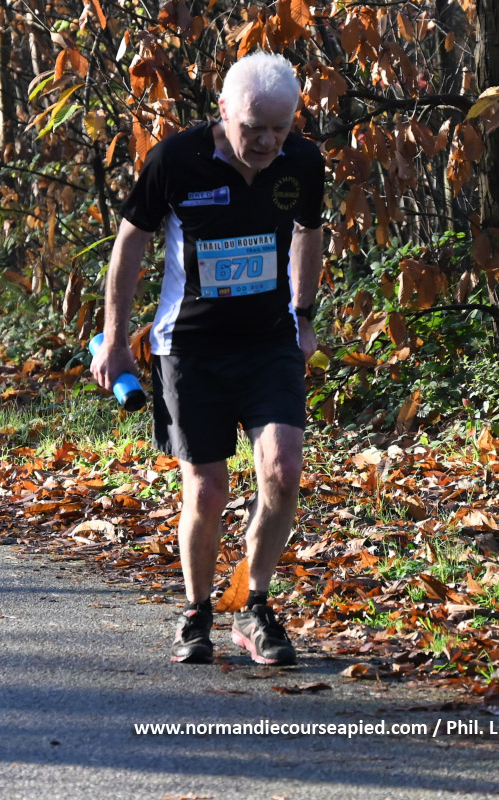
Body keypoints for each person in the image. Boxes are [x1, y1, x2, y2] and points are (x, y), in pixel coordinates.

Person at [90, 51, 325, 666]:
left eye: (280, 128)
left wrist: (303, 315)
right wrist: (114, 338)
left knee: (283, 472)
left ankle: (254, 604)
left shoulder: (302, 161)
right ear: (223, 111)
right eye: (253, 127)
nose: (267, 141)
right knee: (207, 487)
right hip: (190, 347)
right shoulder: (176, 160)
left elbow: (309, 229)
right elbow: (130, 244)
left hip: (269, 341)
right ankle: (197, 610)